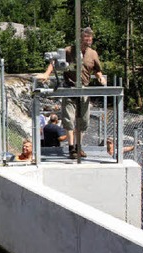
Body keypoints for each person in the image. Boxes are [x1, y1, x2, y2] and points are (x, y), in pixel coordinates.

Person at [40, 27, 106, 159]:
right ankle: (71, 148)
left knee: (84, 120)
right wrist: (47, 74)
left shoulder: (93, 54)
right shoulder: (69, 50)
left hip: (84, 89)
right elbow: (54, 62)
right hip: (69, 88)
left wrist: (100, 77)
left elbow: (97, 70)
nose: (89, 40)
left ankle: (78, 146)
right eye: (86, 38)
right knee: (68, 119)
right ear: (80, 38)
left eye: (90, 38)